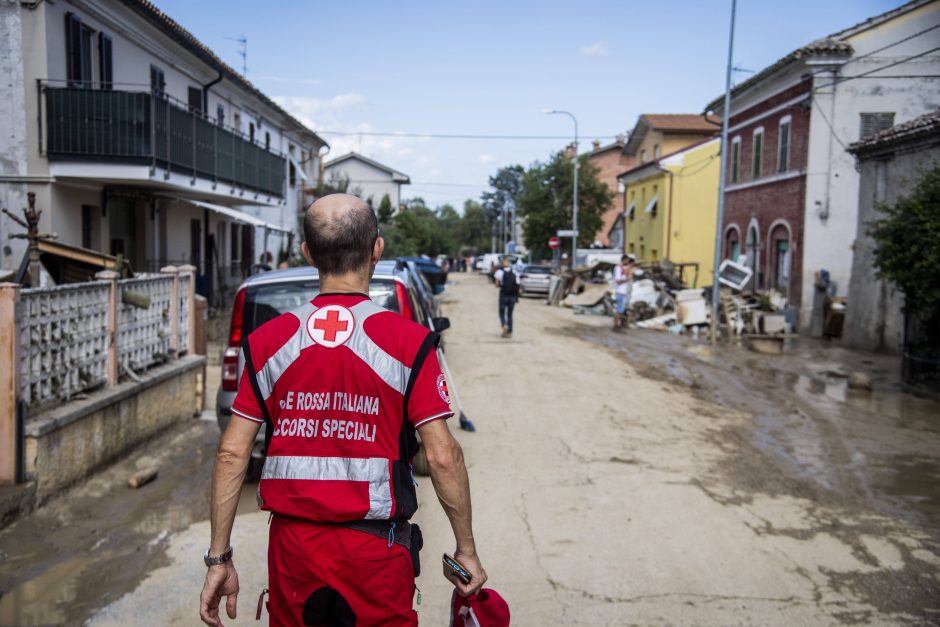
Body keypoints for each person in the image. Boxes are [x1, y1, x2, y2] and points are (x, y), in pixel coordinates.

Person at [199, 194, 487, 627]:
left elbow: (231, 454)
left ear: (308, 253)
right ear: (377, 250)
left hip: (294, 552)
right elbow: (444, 456)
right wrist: (466, 550)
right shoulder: (408, 342)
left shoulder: (266, 343)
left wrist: (218, 558)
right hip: (377, 555)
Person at [494, 258, 518, 338]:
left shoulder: (499, 272)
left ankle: (504, 325)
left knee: (501, 312)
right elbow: (518, 284)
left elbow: (496, 285)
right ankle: (510, 331)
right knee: (510, 314)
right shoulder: (514, 271)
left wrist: (500, 285)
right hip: (513, 295)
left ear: (501, 264)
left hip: (503, 294)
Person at [612, 254, 635, 332]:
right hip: (620, 292)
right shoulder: (618, 268)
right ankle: (616, 326)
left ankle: (618, 325)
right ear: (624, 260)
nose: (628, 262)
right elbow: (618, 281)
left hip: (623, 292)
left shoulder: (623, 268)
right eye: (627, 260)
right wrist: (627, 279)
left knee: (620, 310)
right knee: (619, 310)